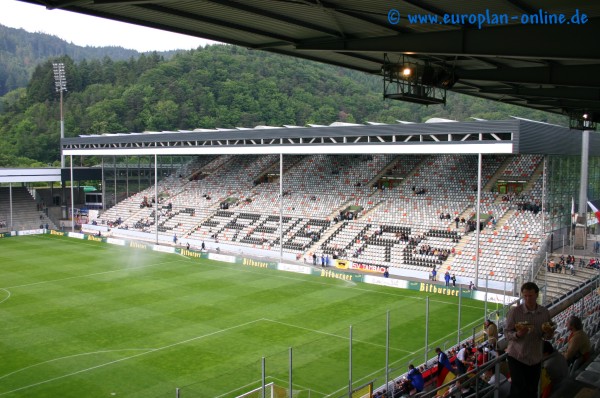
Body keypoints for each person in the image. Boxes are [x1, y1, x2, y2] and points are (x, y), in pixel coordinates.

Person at [505, 281, 554, 398]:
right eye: (525, 296)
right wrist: (517, 335)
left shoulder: (544, 313)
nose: (527, 298)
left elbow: (546, 335)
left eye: (530, 295)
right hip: (517, 356)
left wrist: (549, 334)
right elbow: (507, 333)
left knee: (532, 390)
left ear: (537, 295)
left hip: (535, 357)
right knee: (518, 389)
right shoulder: (515, 312)